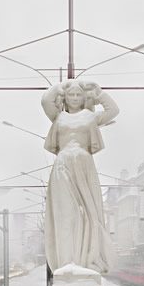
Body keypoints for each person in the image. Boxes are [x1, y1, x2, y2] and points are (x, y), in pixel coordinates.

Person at [41, 79, 119, 274]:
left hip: (84, 165)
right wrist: (59, 87)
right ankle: (67, 261)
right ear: (65, 98)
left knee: (88, 212)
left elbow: (113, 111)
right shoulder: (59, 117)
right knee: (65, 213)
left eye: (78, 95)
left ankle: (84, 259)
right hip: (62, 166)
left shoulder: (90, 117)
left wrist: (99, 93)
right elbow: (45, 101)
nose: (75, 98)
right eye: (71, 95)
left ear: (84, 98)